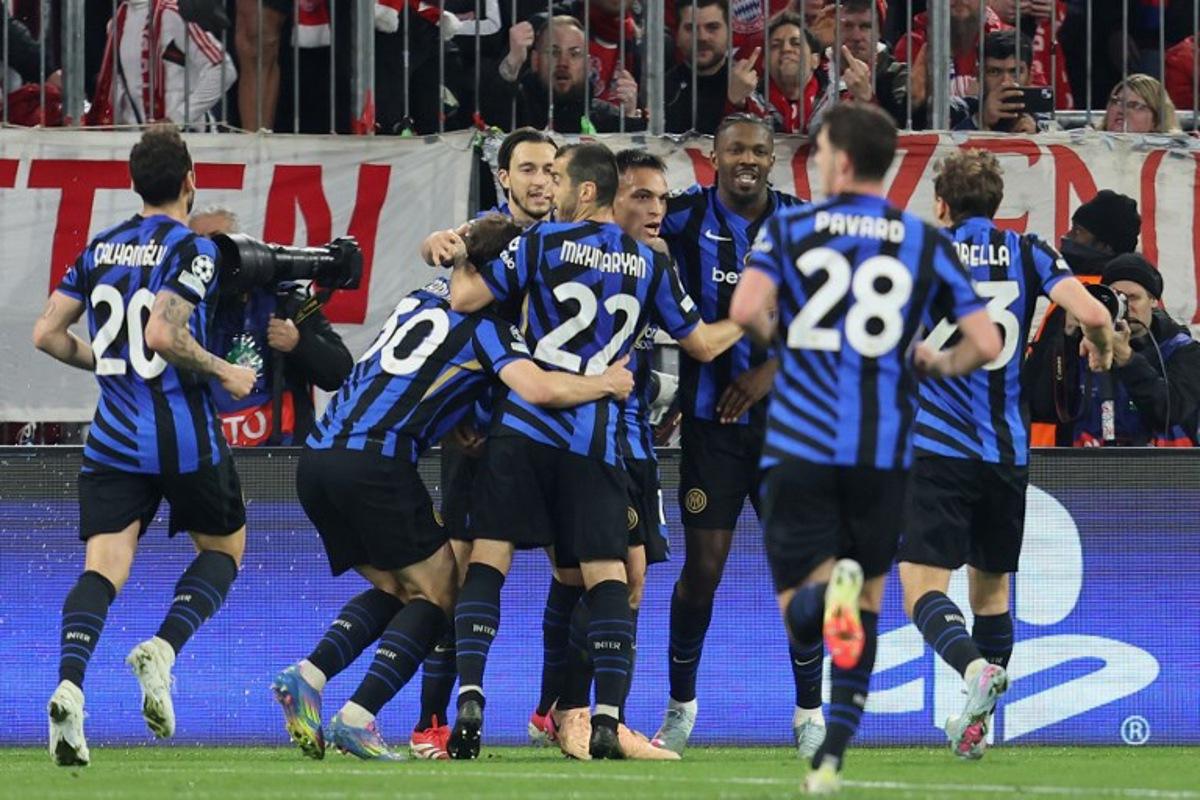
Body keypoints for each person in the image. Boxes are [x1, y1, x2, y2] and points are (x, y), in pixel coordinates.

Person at [269, 213, 636, 761]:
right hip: (378, 464)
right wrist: (605, 381)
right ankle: (357, 717)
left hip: (318, 458)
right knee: (444, 593)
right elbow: (534, 387)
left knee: (400, 590)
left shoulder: (421, 296)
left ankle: (310, 675)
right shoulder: (487, 327)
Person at [728, 102, 1001, 794]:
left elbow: (742, 312)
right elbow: (988, 343)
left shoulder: (789, 228)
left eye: (818, 152)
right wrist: (934, 365)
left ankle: (820, 611)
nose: (813, 163)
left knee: (803, 598)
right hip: (881, 448)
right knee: (866, 600)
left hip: (801, 438)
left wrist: (792, 342)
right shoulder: (924, 240)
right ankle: (833, 758)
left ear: (841, 160)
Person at [442, 142, 735, 760]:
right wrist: (759, 312)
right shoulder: (651, 264)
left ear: (582, 191)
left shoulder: (541, 244)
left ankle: (471, 694)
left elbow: (464, 300)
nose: (549, 187)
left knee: (488, 563)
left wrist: (460, 247)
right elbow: (704, 345)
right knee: (609, 578)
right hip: (595, 439)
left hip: (521, 431)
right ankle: (603, 717)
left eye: (558, 177)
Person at [32, 126, 256, 766]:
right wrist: (223, 370)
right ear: (190, 180)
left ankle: (70, 687)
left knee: (103, 567)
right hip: (184, 437)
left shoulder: (100, 248)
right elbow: (162, 333)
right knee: (226, 548)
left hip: (113, 437)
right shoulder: (196, 249)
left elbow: (47, 334)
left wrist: (107, 363)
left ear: (134, 183)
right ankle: (162, 648)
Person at [897, 149, 1114, 761]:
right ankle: (977, 726)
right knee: (990, 596)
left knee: (921, 590)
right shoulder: (1029, 250)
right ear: (998, 207)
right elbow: (1094, 312)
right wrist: (1098, 345)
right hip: (1006, 452)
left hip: (938, 446)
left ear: (941, 205)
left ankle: (972, 674)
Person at [545, 149, 743, 762]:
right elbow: (704, 344)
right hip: (573, 439)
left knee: (625, 580)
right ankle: (582, 715)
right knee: (599, 579)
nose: (656, 209)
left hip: (627, 443)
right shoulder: (564, 248)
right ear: (609, 196)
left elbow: (693, 343)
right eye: (641, 197)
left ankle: (586, 715)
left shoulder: (651, 262)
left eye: (662, 198)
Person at [651, 114, 814, 759]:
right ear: (713, 156)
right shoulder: (684, 217)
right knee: (703, 571)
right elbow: (613, 228)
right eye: (735, 149)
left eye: (759, 151)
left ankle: (809, 715)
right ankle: (681, 707)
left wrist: (770, 372)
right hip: (710, 429)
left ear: (773, 159)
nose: (748, 159)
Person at [407, 127, 560, 760]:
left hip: (554, 431)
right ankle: (433, 720)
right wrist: (453, 415)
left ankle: (556, 709)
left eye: (549, 169)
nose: (539, 180)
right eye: (526, 168)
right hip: (483, 433)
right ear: (503, 177)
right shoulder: (483, 235)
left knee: (579, 567)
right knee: (463, 573)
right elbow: (445, 293)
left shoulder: (569, 235)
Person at [190, 207, 353, 446]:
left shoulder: (285, 300)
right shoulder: (183, 307)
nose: (207, 251)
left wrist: (300, 344)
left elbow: (340, 373)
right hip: (209, 458)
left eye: (216, 239)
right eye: (198, 241)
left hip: (281, 458)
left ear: (238, 246)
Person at [1053, 255, 1200, 447]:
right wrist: (1067, 338)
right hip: (1089, 468)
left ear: (1153, 300)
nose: (1126, 307)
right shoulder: (1084, 344)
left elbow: (1168, 412)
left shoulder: (1183, 350)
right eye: (1117, 297)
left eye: (1133, 298)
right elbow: (1041, 406)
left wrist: (1127, 358)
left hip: (1166, 469)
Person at [480, 15, 643, 133]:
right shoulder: (516, 109)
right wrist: (512, 62)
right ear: (535, 61)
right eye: (553, 52)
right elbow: (492, 115)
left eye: (574, 53)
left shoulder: (604, 117)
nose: (563, 62)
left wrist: (629, 116)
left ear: (588, 65)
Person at [88, 0, 237, 128]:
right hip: (135, 143)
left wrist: (177, 119)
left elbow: (224, 69)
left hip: (188, 140)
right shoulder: (117, 21)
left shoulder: (174, 13)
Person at [663, 0, 768, 134]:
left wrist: (739, 104)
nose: (702, 37)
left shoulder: (749, 85)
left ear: (730, 33)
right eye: (691, 28)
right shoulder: (662, 89)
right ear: (677, 35)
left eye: (712, 27)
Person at [956, 30, 1039, 134]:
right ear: (978, 75)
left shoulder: (1043, 118)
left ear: (1029, 77)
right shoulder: (959, 111)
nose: (1005, 82)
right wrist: (979, 121)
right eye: (994, 72)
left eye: (1015, 72)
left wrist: (1038, 139)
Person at [761, 11, 824, 134]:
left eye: (796, 43)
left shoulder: (837, 102)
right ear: (764, 63)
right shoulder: (749, 104)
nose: (786, 49)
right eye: (775, 45)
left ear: (815, 60)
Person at [1100, 73, 1182, 134]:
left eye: (1135, 105)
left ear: (1156, 121)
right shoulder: (1088, 145)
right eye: (1117, 102)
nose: (1122, 110)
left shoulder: (1173, 154)